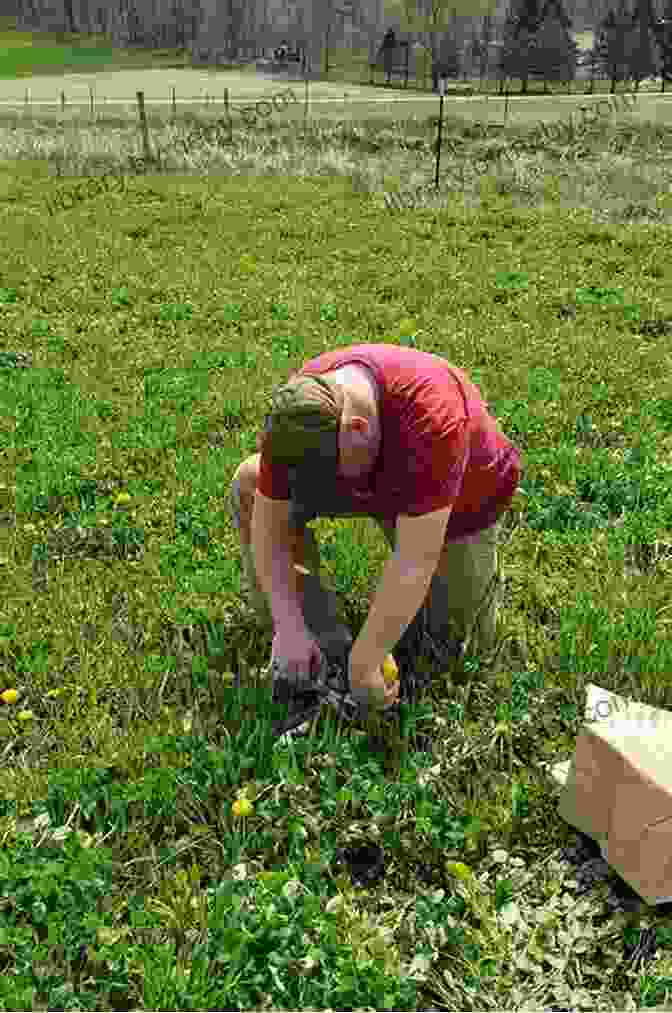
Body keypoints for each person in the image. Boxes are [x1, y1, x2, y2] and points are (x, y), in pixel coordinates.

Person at [228, 344, 522, 715]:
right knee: (249, 483)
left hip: (462, 498)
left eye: (327, 479)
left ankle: (369, 655)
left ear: (357, 428)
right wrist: (289, 625)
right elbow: (269, 523)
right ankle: (319, 647)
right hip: (378, 471)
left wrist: (368, 659)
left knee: (449, 650)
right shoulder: (298, 415)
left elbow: (414, 560)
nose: (320, 492)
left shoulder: (432, 416)